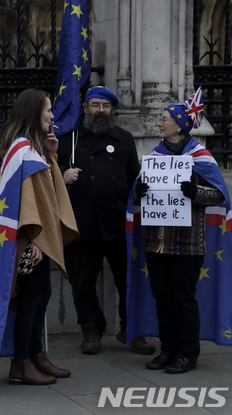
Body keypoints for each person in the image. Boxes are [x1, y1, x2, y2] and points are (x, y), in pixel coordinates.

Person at [0, 88, 78, 385]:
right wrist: (32, 241)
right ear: (34, 113)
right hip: (27, 240)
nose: (53, 116)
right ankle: (20, 363)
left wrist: (51, 151)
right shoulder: (22, 150)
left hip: (33, 238)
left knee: (42, 295)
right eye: (48, 111)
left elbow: (46, 194)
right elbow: (25, 203)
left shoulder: (33, 148)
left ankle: (35, 355)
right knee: (31, 298)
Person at [57, 86, 155, 356]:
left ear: (113, 110)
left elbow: (134, 177)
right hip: (81, 225)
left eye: (106, 106)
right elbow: (46, 175)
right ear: (85, 108)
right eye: (95, 105)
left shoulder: (123, 138)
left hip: (118, 225)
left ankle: (132, 330)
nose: (101, 111)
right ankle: (90, 328)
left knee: (128, 281)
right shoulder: (69, 139)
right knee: (83, 282)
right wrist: (63, 175)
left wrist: (141, 189)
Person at [133, 90, 225, 374]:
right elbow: (137, 198)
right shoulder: (154, 157)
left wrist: (194, 191)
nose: (159, 124)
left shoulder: (200, 157)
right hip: (156, 242)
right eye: (160, 119)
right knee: (163, 299)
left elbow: (218, 195)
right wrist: (139, 192)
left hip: (187, 244)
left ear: (180, 125)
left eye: (164, 119)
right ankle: (168, 350)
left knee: (183, 300)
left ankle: (187, 354)